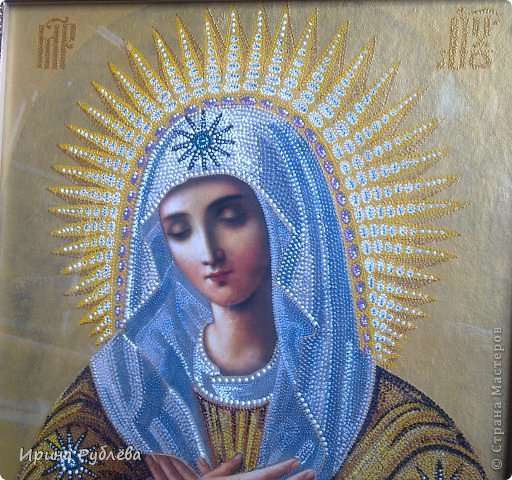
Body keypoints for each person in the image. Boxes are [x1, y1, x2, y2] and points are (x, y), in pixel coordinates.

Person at [18, 7, 487, 480]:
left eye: (232, 217)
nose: (208, 251)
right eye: (179, 230)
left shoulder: (371, 411)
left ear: (286, 224)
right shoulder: (122, 395)